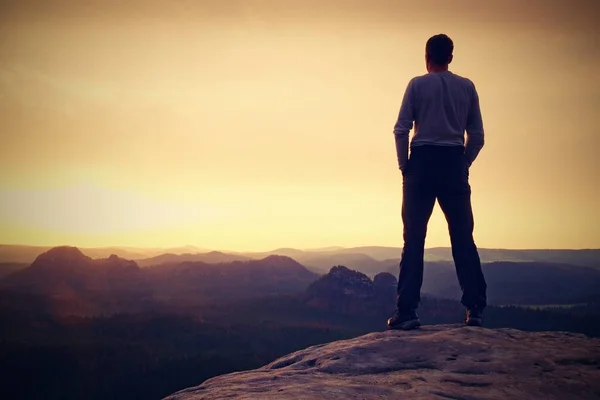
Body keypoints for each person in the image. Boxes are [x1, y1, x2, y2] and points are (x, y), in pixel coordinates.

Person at [387, 34, 487, 330]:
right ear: (451, 58)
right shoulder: (466, 87)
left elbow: (401, 129)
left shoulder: (417, 85)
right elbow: (478, 136)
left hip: (422, 162)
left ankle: (407, 312)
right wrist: (463, 162)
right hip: (453, 161)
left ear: (426, 56)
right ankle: (475, 309)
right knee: (462, 237)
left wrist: (405, 166)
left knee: (414, 238)